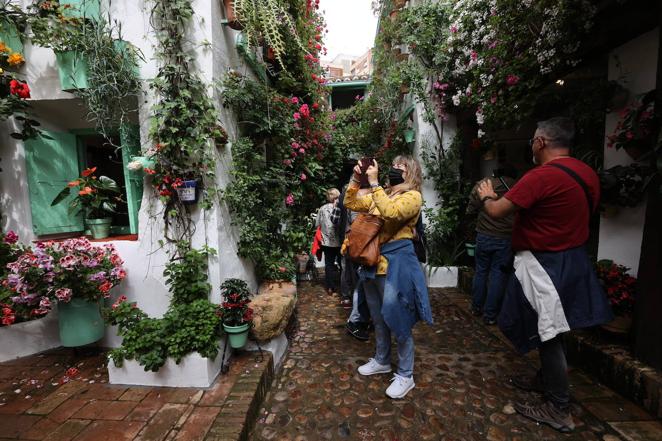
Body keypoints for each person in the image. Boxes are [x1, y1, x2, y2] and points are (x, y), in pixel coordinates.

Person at [476, 117, 613, 433]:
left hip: (544, 263)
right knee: (551, 325)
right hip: (572, 259)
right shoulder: (587, 173)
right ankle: (545, 380)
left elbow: (497, 210)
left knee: (548, 331)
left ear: (540, 143)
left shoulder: (541, 177)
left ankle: (558, 407)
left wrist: (485, 193)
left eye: (532, 141)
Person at [344, 155, 432, 399]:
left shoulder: (413, 196)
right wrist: (356, 178)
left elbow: (391, 213)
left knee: (398, 317)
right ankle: (382, 360)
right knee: (378, 317)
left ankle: (406, 374)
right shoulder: (382, 194)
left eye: (400, 167)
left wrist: (374, 185)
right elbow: (350, 202)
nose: (394, 170)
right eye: (392, 166)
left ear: (410, 173)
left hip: (397, 264)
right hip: (373, 263)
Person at [466, 164, 517, 325]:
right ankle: (490, 315)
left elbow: (471, 208)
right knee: (498, 275)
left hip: (484, 235)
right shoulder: (517, 185)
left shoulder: (484, 184)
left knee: (481, 271)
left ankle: (476, 307)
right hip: (505, 237)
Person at [315, 188, 341, 296]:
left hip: (327, 242)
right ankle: (344, 286)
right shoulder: (341, 207)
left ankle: (330, 287)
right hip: (340, 241)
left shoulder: (322, 208)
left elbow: (317, 224)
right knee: (342, 264)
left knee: (329, 264)